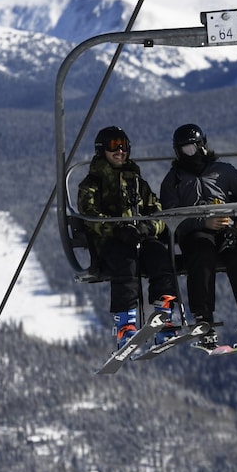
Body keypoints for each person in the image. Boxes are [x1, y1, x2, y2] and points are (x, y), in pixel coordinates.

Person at [159, 123, 237, 349]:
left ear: (202, 146)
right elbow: (170, 216)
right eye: (183, 150)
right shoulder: (174, 180)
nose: (188, 154)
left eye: (192, 148)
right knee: (201, 254)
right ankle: (204, 320)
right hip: (195, 233)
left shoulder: (221, 171)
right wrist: (202, 222)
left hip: (224, 227)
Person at [77, 126, 179, 350]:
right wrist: (117, 230)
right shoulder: (92, 184)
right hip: (111, 243)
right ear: (101, 150)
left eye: (124, 146)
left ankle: (164, 315)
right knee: (126, 264)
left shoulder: (137, 182)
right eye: (114, 146)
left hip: (140, 238)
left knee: (160, 256)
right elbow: (89, 216)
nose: (120, 151)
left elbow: (158, 211)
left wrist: (148, 227)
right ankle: (125, 324)